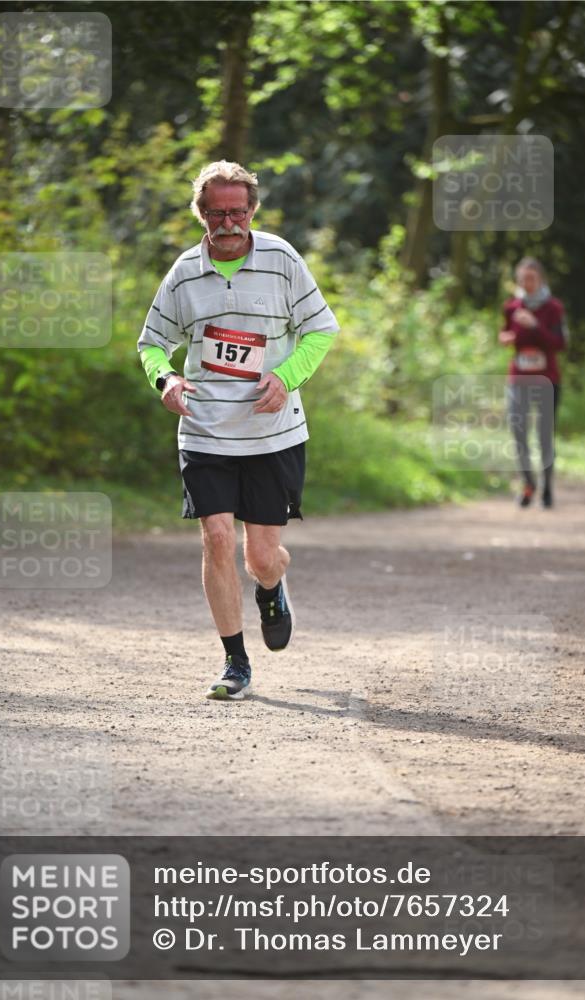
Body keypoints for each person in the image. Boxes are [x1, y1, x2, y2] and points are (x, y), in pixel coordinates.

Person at [137, 161, 339, 700]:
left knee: (261, 556)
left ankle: (272, 589)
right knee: (217, 536)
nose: (228, 223)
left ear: (252, 211)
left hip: (273, 432)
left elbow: (321, 329)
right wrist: (166, 377)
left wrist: (286, 375)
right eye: (216, 213)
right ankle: (235, 662)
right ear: (200, 214)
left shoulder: (281, 259)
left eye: (237, 212)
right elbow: (152, 343)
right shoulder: (184, 272)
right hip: (204, 430)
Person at [499, 257, 568, 508]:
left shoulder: (554, 308)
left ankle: (547, 487)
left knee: (544, 436)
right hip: (518, 378)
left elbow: (560, 344)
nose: (526, 283)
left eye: (531, 278)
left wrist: (536, 326)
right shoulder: (512, 307)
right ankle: (529, 484)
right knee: (518, 432)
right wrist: (506, 338)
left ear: (540, 280)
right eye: (522, 279)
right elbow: (508, 333)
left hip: (547, 380)